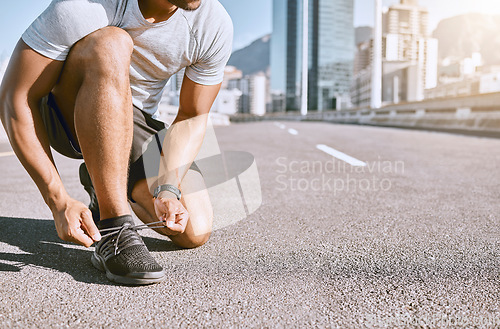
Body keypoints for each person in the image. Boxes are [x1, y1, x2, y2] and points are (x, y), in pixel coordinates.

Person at [0, 0, 233, 285]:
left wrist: (169, 189)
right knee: (113, 42)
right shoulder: (84, 6)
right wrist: (58, 201)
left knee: (194, 230)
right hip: (64, 113)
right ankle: (114, 228)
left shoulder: (212, 23)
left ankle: (102, 187)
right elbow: (17, 96)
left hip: (134, 119)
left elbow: (192, 115)